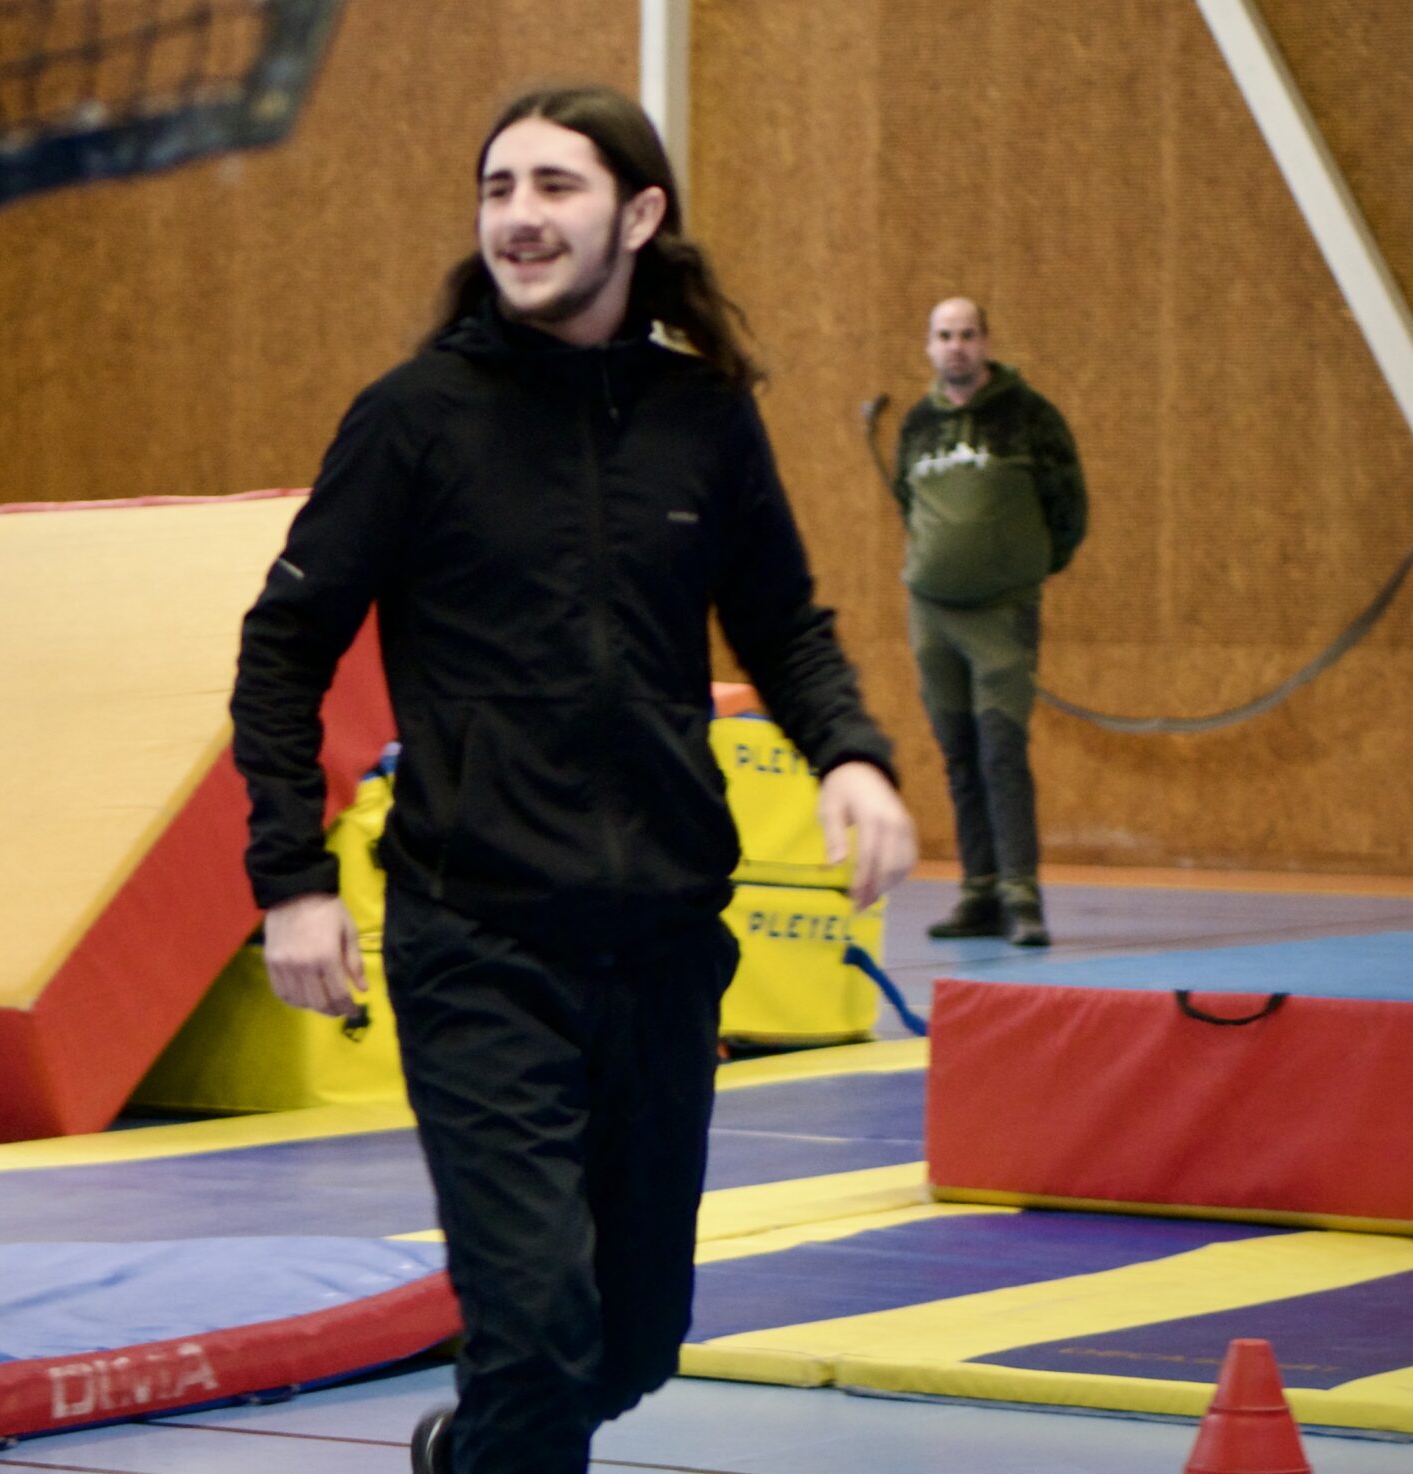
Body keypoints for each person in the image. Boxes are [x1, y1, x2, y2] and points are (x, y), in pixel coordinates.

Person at [230, 85, 916, 1474]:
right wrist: (292, 879)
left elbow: (782, 619)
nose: (519, 217)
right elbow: (284, 644)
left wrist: (850, 751)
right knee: (538, 1329)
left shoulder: (702, 419)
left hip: (663, 943)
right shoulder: (417, 417)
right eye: (498, 188)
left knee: (631, 1340)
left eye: (555, 186)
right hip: (479, 939)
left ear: (639, 214)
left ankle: (470, 1452)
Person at [894, 297, 1085, 949]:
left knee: (1001, 751)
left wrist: (1020, 569)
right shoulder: (917, 423)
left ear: (986, 343)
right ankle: (977, 891)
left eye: (968, 335)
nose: (956, 346)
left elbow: (1069, 507)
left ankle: (1020, 895)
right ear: (929, 345)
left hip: (1003, 613)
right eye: (944, 335)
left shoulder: (1029, 416)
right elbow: (908, 501)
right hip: (932, 613)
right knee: (959, 753)